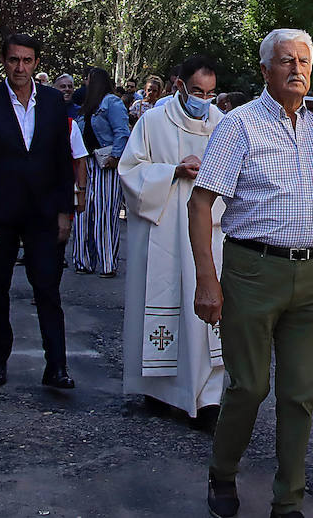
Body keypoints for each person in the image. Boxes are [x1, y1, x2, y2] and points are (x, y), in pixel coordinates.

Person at [187, 28, 313, 518]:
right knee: (247, 387)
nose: (297, 70)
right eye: (286, 61)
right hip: (252, 269)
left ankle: (287, 500)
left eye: (305, 61)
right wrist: (208, 280)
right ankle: (222, 473)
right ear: (265, 70)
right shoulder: (239, 126)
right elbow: (200, 203)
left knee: (299, 394)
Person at [0, 33, 77, 390]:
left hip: (43, 212)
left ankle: (56, 366)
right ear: (4, 62)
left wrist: (65, 210)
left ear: (37, 64)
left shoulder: (53, 103)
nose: (20, 68)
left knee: (47, 288)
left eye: (27, 61)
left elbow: (62, 160)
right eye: (14, 60)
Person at [119, 55, 226, 419]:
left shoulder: (222, 124)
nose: (204, 100)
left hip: (209, 229)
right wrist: (174, 171)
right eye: (197, 91)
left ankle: (207, 396)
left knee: (205, 309)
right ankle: (161, 389)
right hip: (164, 227)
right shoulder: (152, 122)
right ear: (178, 85)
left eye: (210, 93)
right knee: (165, 302)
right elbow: (130, 170)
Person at [73, 67, 131, 277]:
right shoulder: (86, 106)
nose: (85, 83)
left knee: (105, 214)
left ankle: (108, 262)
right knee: (82, 212)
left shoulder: (111, 103)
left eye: (87, 79)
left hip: (105, 162)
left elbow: (122, 132)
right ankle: (83, 261)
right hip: (85, 162)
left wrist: (115, 156)